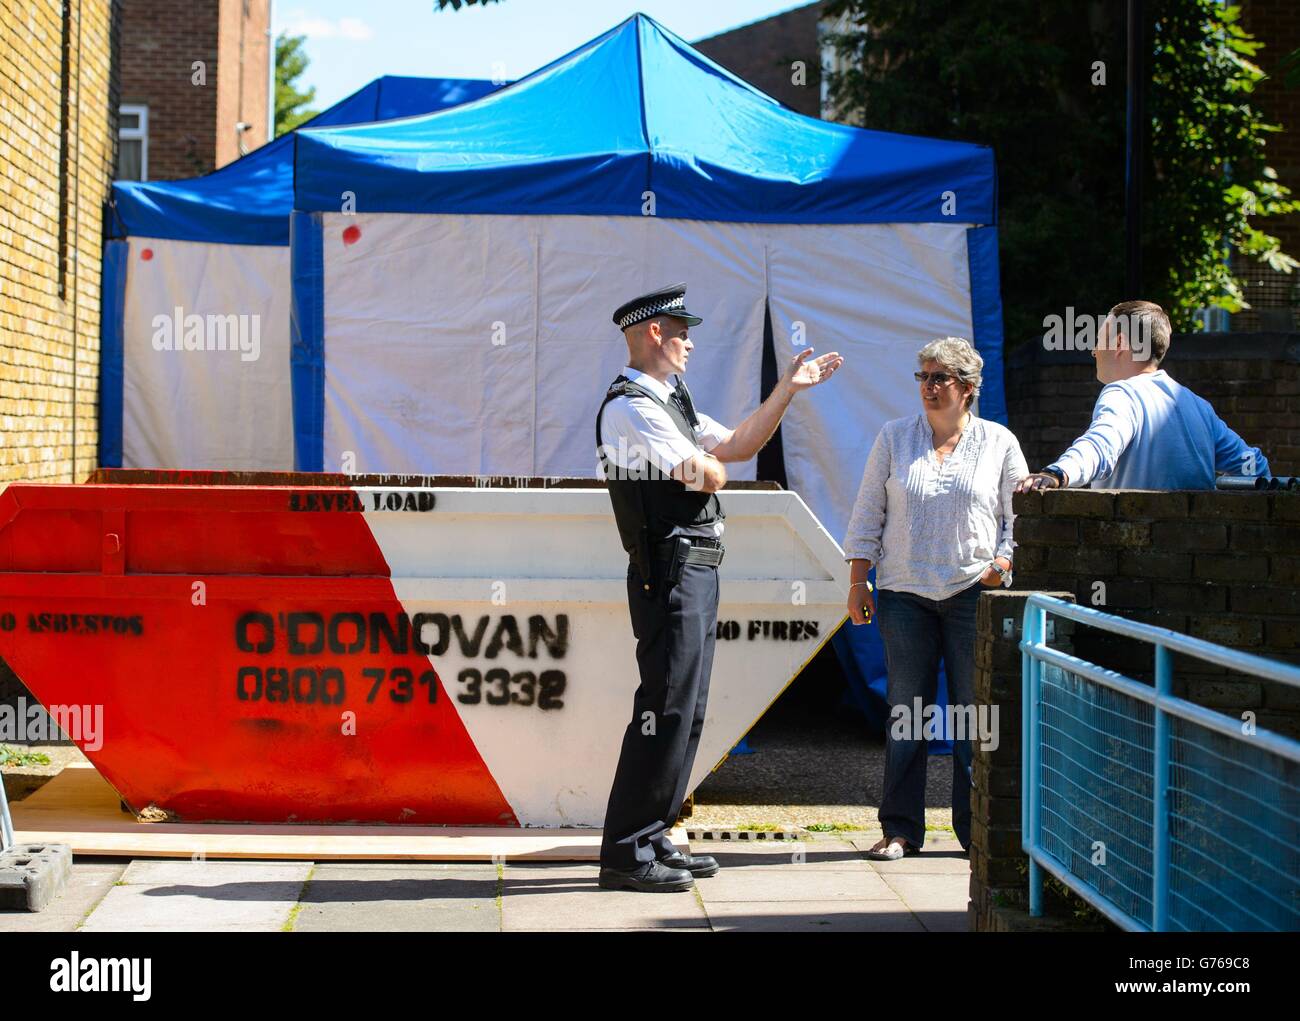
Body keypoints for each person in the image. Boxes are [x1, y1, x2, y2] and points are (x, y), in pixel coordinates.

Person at [596, 283, 843, 892]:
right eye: (682, 331)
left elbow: (735, 449)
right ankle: (628, 850)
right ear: (652, 332)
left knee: (690, 707)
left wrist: (787, 389)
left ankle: (654, 835)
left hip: (695, 565)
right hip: (668, 569)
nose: (689, 342)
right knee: (664, 706)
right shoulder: (632, 406)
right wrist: (711, 467)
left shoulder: (670, 400)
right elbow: (708, 475)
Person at [844, 337, 1027, 860]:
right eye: (923, 376)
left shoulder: (999, 442)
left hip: (972, 592)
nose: (928, 386)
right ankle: (900, 830)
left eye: (939, 378)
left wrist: (1004, 562)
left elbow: (1017, 519)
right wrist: (859, 580)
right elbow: (867, 512)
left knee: (972, 718)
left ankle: (975, 835)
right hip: (904, 594)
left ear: (967, 389)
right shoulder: (894, 437)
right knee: (907, 715)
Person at [1018, 300, 1270, 492]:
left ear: (1119, 344)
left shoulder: (1122, 393)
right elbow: (1252, 463)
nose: (1094, 351)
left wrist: (1058, 473)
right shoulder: (1198, 406)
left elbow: (1100, 445)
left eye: (1098, 340)